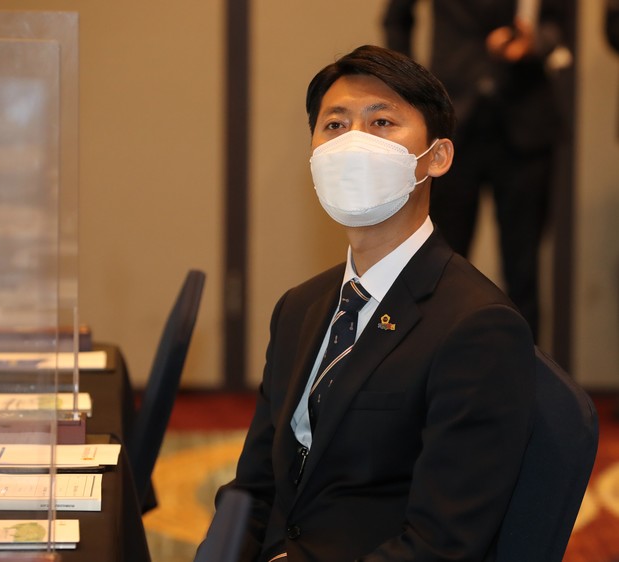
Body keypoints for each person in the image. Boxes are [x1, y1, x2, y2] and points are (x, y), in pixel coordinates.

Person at [208, 45, 536, 562]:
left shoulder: (478, 326)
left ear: (437, 157)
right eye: (334, 125)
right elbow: (255, 484)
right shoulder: (298, 307)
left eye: (382, 122)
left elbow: (443, 543)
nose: (353, 143)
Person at [383, 0, 569, 340]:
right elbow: (397, 17)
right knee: (439, 265)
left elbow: (558, 22)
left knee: (524, 272)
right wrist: (411, 91)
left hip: (526, 121)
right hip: (453, 120)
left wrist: (535, 42)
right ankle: (435, 365)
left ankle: (522, 371)